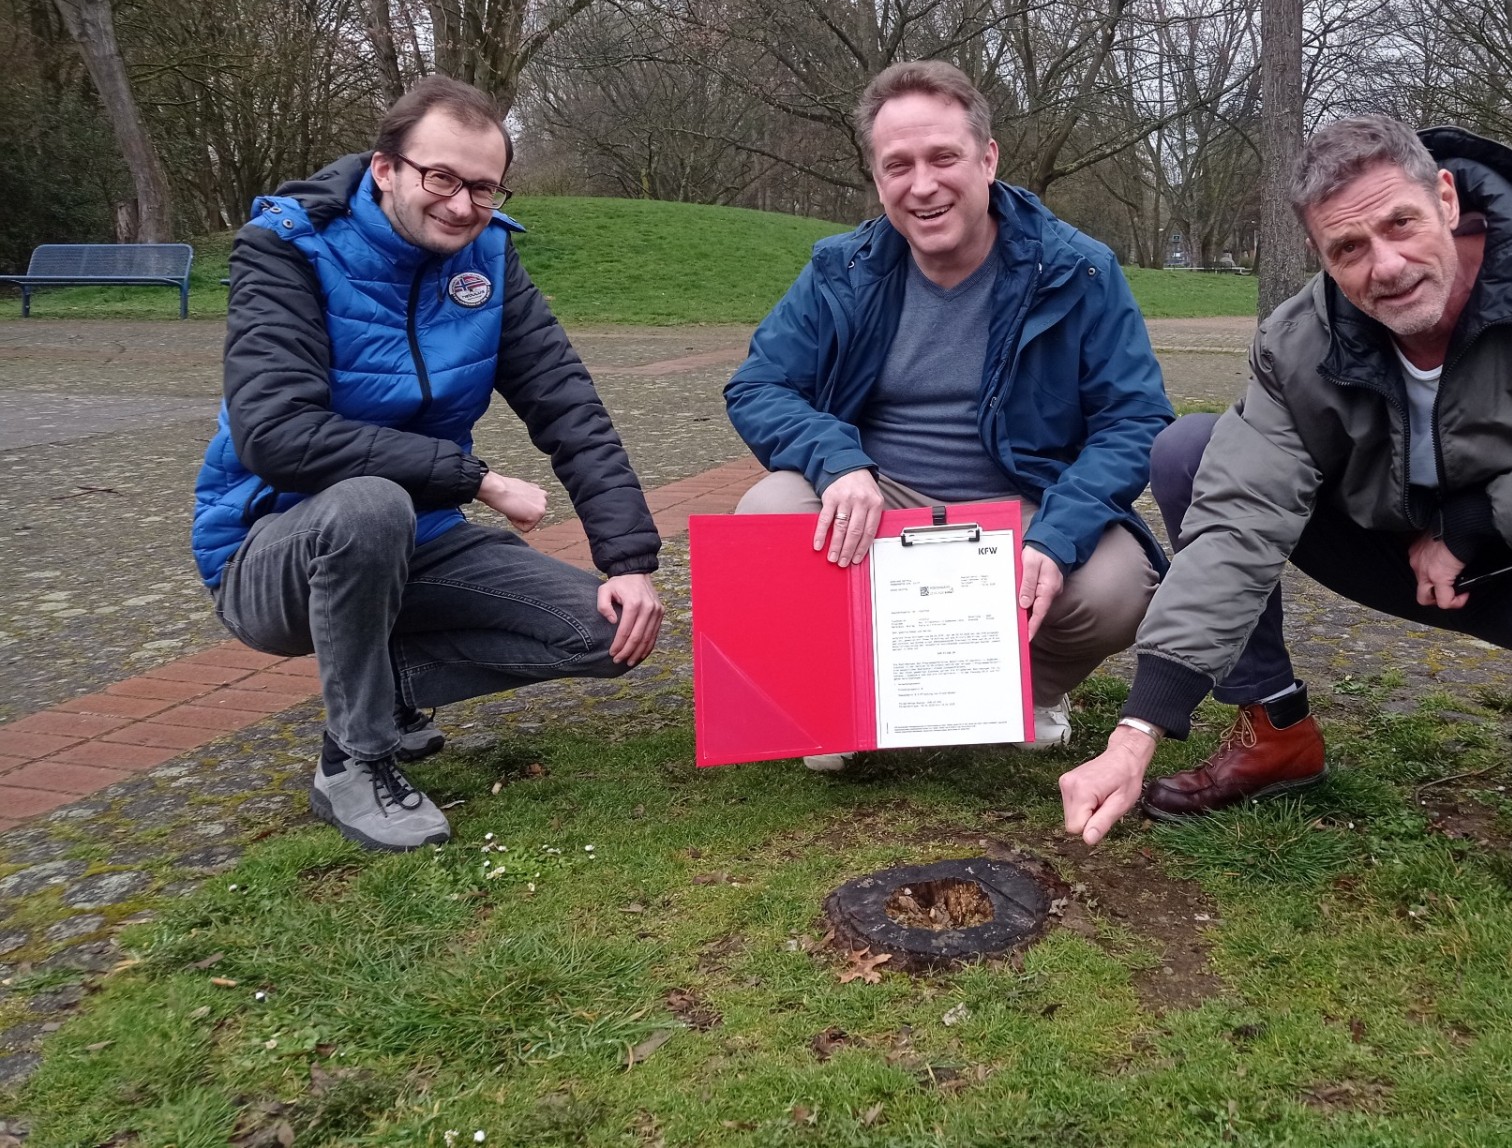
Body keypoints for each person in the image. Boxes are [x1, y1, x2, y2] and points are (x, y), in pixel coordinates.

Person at [1059, 116, 1512, 868]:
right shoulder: (1298, 344)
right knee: (1193, 450)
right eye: (1349, 248)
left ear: (1446, 199)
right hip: (1383, 551)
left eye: (1401, 224)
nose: (1385, 266)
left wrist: (1482, 520)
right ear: (1319, 255)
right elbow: (1239, 524)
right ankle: (1275, 725)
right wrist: (1140, 729)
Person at [192, 76, 664, 852]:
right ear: (386, 168)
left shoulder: (490, 261)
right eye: (440, 178)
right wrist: (473, 478)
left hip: (419, 538)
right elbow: (276, 434)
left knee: (605, 633)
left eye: (483, 187)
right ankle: (355, 761)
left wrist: (629, 559)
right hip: (269, 551)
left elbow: (567, 407)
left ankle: (376, 695)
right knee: (370, 503)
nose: (461, 204)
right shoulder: (287, 248)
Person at [724, 60, 1174, 768]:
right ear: (876, 177)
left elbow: (1135, 418)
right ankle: (837, 699)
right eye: (897, 164)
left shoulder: (1077, 269)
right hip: (883, 499)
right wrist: (837, 460)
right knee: (769, 507)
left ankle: (1029, 693)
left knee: (1117, 583)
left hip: (1018, 503)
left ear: (988, 158)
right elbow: (757, 386)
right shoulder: (840, 270)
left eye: (944, 157)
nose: (923, 185)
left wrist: (1058, 534)